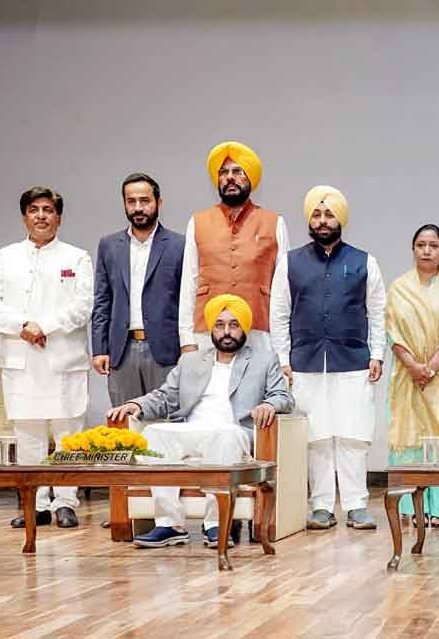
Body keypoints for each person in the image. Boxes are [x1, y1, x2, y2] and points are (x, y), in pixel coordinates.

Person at [107, 295, 292, 549]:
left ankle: (216, 523)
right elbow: (166, 396)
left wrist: (269, 405)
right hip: (191, 429)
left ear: (244, 328)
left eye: (234, 325)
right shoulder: (191, 360)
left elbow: (283, 396)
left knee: (225, 436)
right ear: (211, 329)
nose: (226, 332)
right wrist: (137, 405)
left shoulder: (264, 360)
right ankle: (169, 524)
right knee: (153, 433)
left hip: (233, 431)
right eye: (219, 325)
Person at [270, 186, 386, 531]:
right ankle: (321, 506)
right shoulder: (290, 262)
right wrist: (282, 359)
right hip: (305, 362)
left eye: (329, 214)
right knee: (317, 438)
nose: (322, 221)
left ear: (341, 219)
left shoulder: (364, 261)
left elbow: (377, 313)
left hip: (353, 360)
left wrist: (377, 354)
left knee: (353, 434)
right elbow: (279, 314)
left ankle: (356, 505)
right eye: (317, 215)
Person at [0, 187, 93, 529]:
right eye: (34, 210)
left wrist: (45, 326)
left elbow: (83, 306)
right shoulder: (6, 257)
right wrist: (23, 327)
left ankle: (65, 502)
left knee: (68, 435)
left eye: (48, 210)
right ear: (24, 217)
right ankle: (36, 504)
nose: (41, 216)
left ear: (59, 218)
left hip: (63, 359)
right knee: (28, 437)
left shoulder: (77, 258)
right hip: (22, 359)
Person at [179, 141, 290, 353]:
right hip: (207, 333)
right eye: (223, 172)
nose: (230, 177)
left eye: (238, 171)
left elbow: (283, 289)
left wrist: (282, 348)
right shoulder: (198, 222)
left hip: (259, 333)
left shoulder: (274, 222)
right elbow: (188, 283)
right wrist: (186, 339)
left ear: (250, 178)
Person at [386, 224, 439, 527]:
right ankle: (409, 506)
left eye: (433, 245)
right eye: (421, 245)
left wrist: (430, 366)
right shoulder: (398, 288)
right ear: (413, 249)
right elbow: (392, 332)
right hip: (408, 376)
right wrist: (413, 366)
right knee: (409, 435)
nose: (427, 251)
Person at [92, 172, 186, 404]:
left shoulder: (179, 245)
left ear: (158, 203)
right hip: (121, 351)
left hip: (165, 352)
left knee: (166, 419)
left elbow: (188, 301)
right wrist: (99, 349)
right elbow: (102, 300)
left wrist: (187, 348)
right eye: (131, 201)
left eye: (145, 201)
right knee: (125, 421)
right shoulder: (109, 245)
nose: (138, 208)